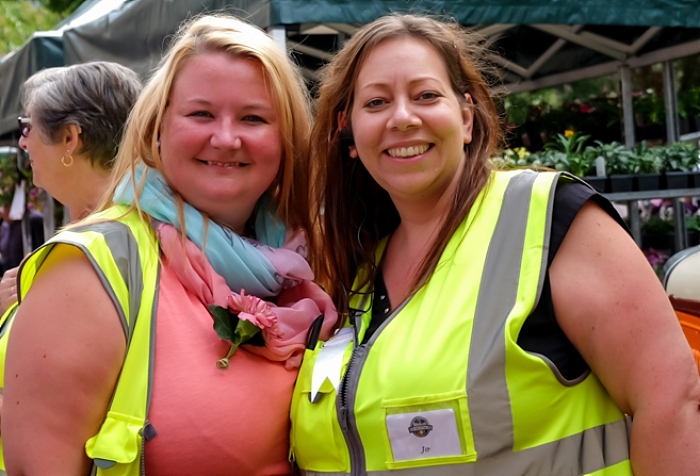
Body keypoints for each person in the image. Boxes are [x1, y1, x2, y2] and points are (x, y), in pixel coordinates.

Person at [290, 13, 700, 475]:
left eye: (426, 95)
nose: (402, 118)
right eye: (376, 102)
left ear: (466, 118)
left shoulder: (546, 219)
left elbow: (672, 400)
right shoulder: (356, 268)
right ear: (348, 132)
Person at [0, 14, 336, 476]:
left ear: (286, 139)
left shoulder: (314, 266)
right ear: (158, 127)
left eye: (253, 118)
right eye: (200, 114)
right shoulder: (90, 271)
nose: (225, 137)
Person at [0, 61, 142, 314]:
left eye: (28, 127)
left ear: (69, 138)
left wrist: (9, 314)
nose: (23, 142)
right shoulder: (154, 224)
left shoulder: (76, 255)